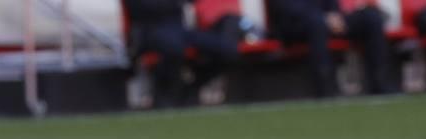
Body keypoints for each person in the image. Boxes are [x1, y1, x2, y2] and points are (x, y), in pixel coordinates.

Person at [124, 0, 242, 107]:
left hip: (179, 31)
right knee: (173, 48)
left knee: (227, 48)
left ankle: (192, 87)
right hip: (150, 31)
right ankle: (169, 93)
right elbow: (141, 8)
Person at [267, 0, 397, 96]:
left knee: (371, 18)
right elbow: (286, 9)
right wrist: (324, 18)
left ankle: (381, 84)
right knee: (316, 25)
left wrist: (335, 16)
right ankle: (325, 90)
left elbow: (331, 5)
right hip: (295, 25)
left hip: (325, 21)